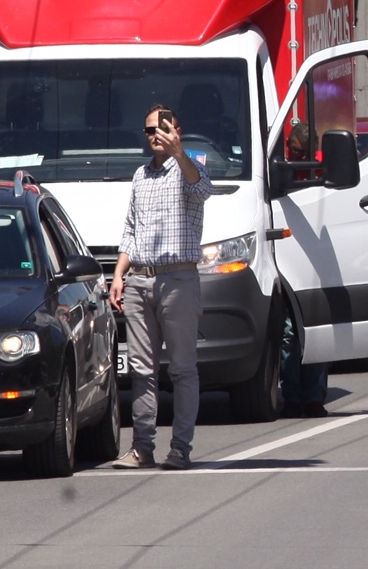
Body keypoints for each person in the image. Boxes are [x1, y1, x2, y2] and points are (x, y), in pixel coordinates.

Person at [110, 105, 215, 469]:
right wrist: (120, 274)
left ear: (176, 129)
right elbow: (130, 229)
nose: (156, 135)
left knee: (183, 369)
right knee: (141, 369)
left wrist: (179, 152)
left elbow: (202, 190)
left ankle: (180, 449)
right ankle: (142, 448)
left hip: (178, 279)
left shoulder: (190, 167)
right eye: (149, 130)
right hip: (140, 278)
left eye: (162, 128)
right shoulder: (140, 175)